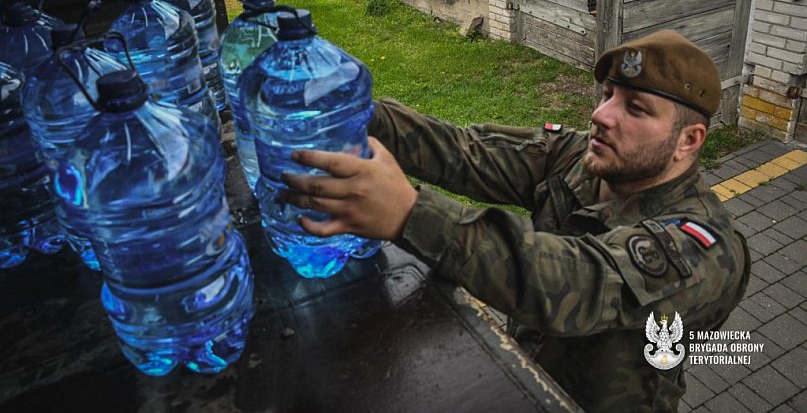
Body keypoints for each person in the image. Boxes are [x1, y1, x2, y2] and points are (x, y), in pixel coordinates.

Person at [281, 30, 750, 412]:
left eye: (635, 108)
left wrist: (410, 213)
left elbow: (576, 280)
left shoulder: (704, 247)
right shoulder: (576, 159)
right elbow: (467, 153)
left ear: (688, 140)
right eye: (608, 95)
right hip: (522, 378)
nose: (600, 116)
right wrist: (363, 113)